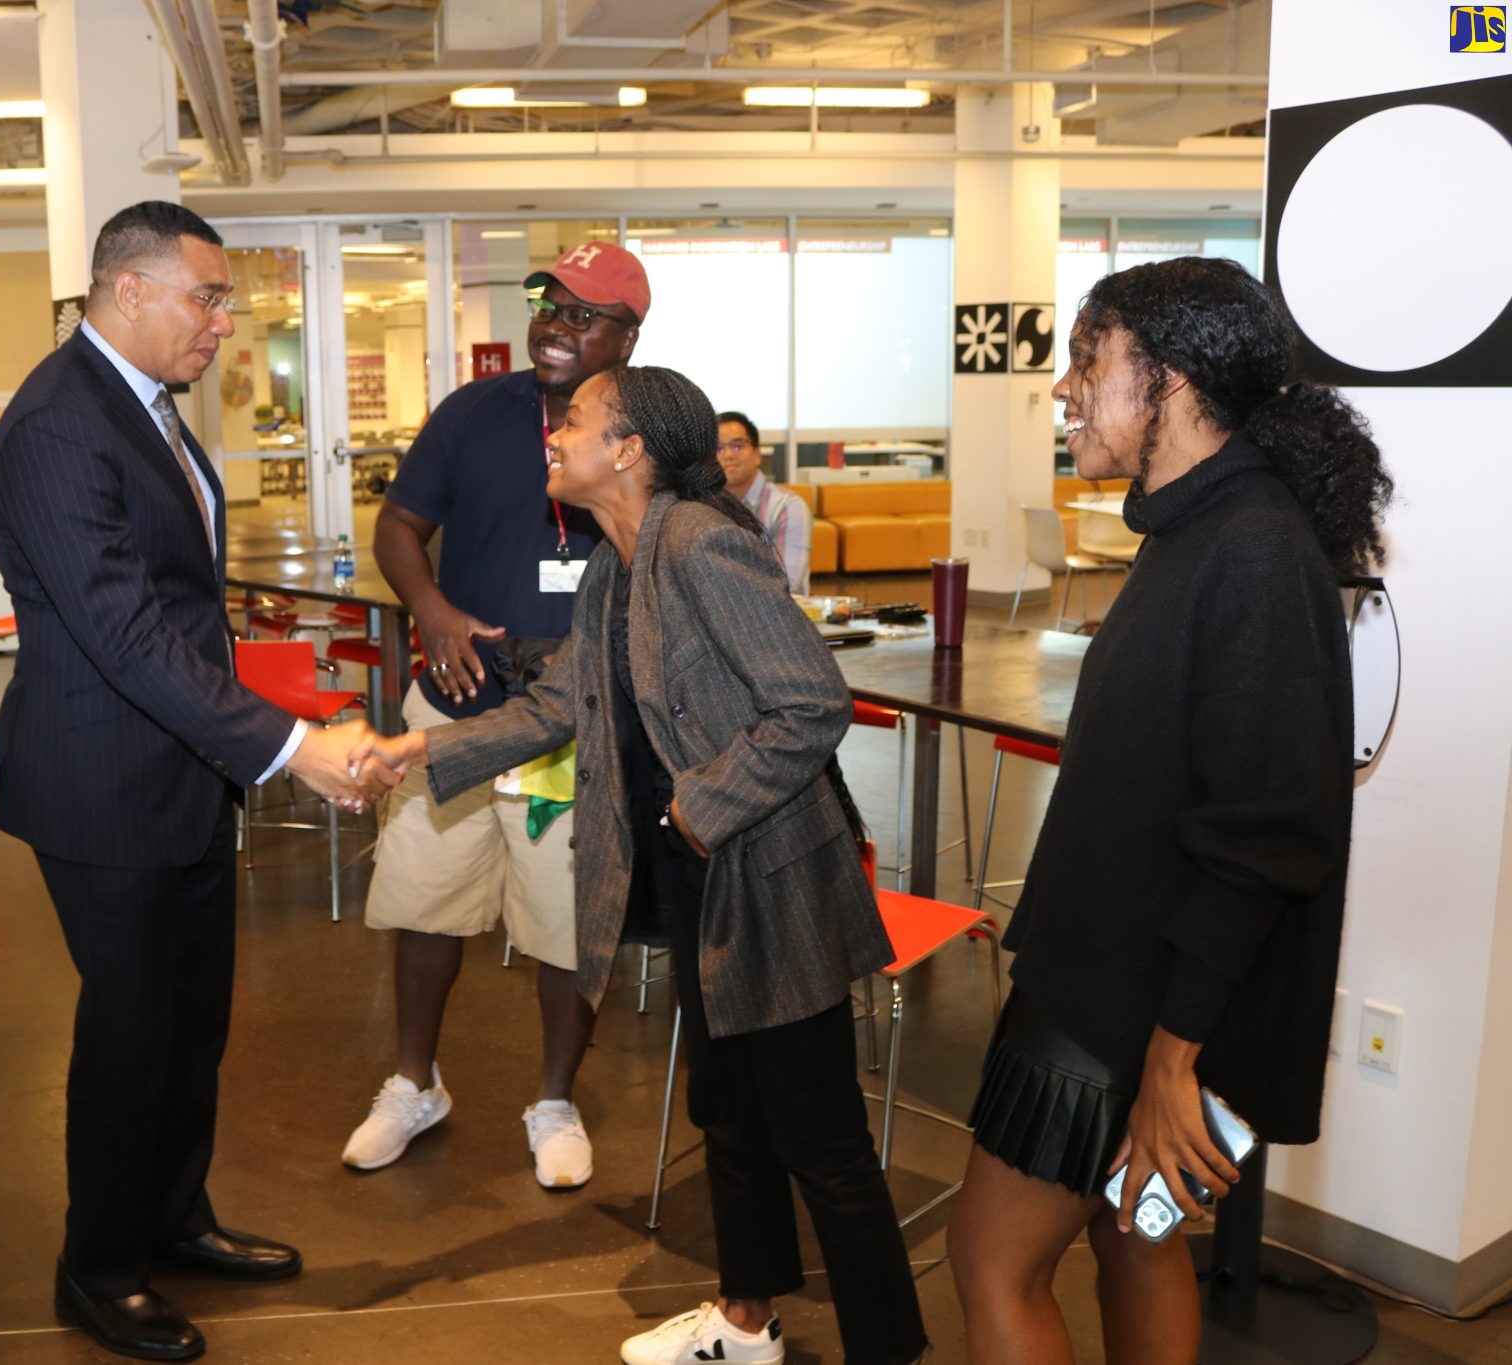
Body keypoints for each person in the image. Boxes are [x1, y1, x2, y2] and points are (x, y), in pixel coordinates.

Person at [353, 366, 929, 1365]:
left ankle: (893, 1349)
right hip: (699, 881)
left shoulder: (703, 546)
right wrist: (418, 753)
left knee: (821, 1144)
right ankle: (744, 1325)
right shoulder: (621, 559)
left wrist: (695, 809)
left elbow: (810, 706)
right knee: (729, 1115)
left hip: (767, 878)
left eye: (572, 422)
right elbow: (555, 707)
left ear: (626, 451)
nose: (552, 435)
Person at [947, 257, 1394, 1365]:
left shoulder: (1248, 550)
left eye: (1086, 362)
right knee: (1133, 1245)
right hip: (1123, 993)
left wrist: (1169, 1064)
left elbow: (1262, 838)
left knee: (990, 1263)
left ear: (1170, 381)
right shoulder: (1194, 528)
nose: (1061, 392)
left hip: (1125, 1018)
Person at [0, 200, 392, 1363]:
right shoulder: (62, 424)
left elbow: (177, 613)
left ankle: (172, 1217)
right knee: (129, 1037)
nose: (223, 323)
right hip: (103, 782)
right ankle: (100, 1269)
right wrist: (290, 746)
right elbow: (123, 633)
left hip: (180, 770)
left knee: (188, 1024)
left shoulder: (144, 408)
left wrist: (249, 742)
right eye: (206, 298)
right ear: (128, 293)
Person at [344, 242, 649, 1189]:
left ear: (628, 335)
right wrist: (430, 610)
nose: (556, 323)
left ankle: (555, 1099)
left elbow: (670, 555)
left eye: (583, 312)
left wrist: (604, 653)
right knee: (427, 903)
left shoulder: (650, 430)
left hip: (572, 728)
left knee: (566, 919)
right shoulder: (475, 413)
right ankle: (412, 1082)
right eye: (546, 303)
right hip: (457, 706)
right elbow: (399, 525)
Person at [716, 410, 812, 593]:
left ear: (757, 454)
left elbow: (787, 584)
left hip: (781, 617)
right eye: (719, 449)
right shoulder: (703, 507)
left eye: (737, 446)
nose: (728, 455)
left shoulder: (786, 507)